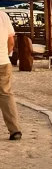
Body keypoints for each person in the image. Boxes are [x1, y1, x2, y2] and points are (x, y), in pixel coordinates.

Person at [0, 11, 21, 140]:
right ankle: (15, 130)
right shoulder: (3, 16)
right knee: (6, 94)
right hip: (3, 62)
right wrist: (6, 55)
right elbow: (11, 41)